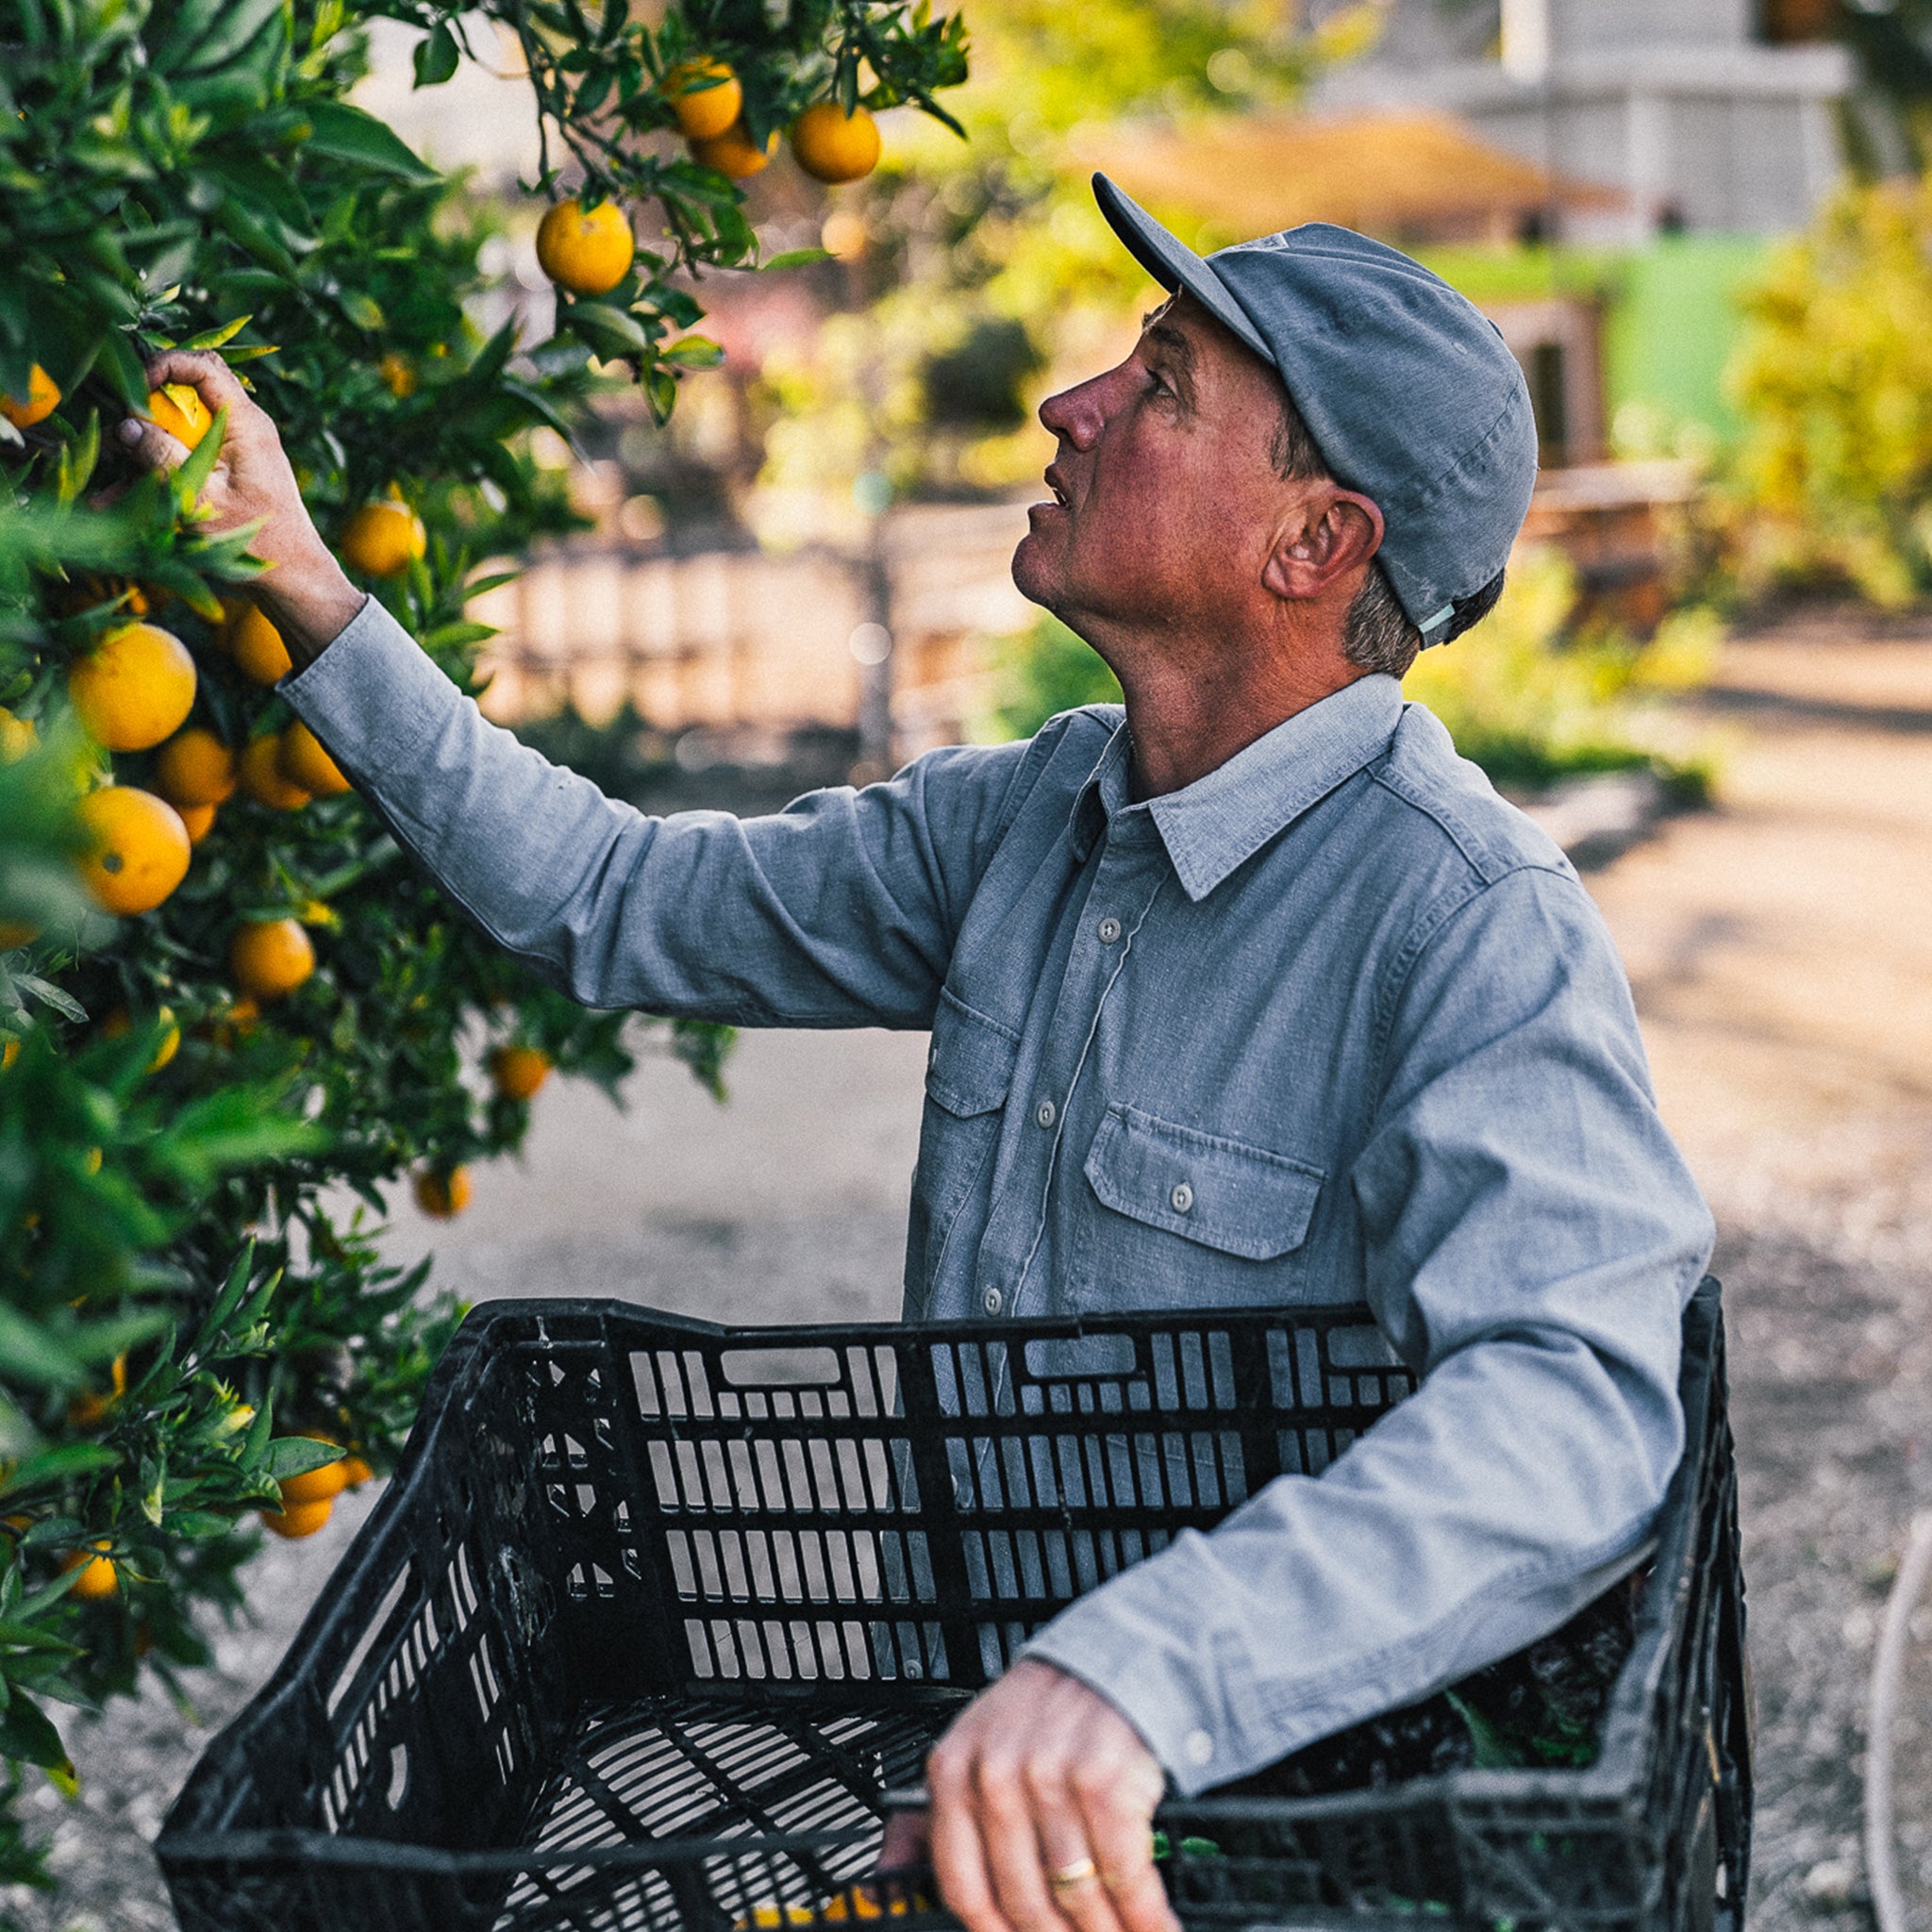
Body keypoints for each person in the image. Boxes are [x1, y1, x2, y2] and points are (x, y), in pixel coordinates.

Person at [122, 175, 1712, 1932]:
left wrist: (1138, 1676)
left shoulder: (1468, 925)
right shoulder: (1025, 820)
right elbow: (607, 894)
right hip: (949, 1787)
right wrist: (306, 586)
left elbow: (1572, 1411)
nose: (1070, 406)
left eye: (1161, 385)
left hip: (1241, 1839)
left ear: (1313, 545)